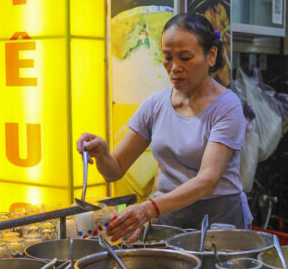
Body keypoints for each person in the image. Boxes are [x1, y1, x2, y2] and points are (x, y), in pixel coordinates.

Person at [76, 13, 252, 243]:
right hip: (169, 219)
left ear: (211, 56)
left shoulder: (226, 106)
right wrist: (102, 154)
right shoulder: (155, 105)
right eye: (167, 57)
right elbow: (115, 169)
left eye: (186, 57)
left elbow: (208, 179)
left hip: (219, 221)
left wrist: (147, 209)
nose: (175, 67)